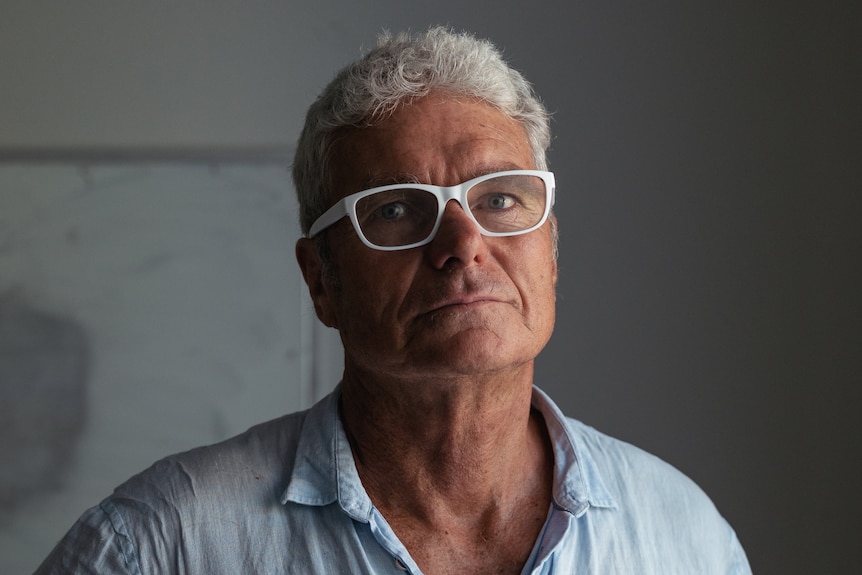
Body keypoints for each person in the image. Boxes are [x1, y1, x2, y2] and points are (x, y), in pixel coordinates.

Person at [36, 27, 751, 574]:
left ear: (551, 251)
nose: (463, 244)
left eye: (500, 198)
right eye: (397, 210)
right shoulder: (161, 545)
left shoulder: (682, 534)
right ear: (321, 278)